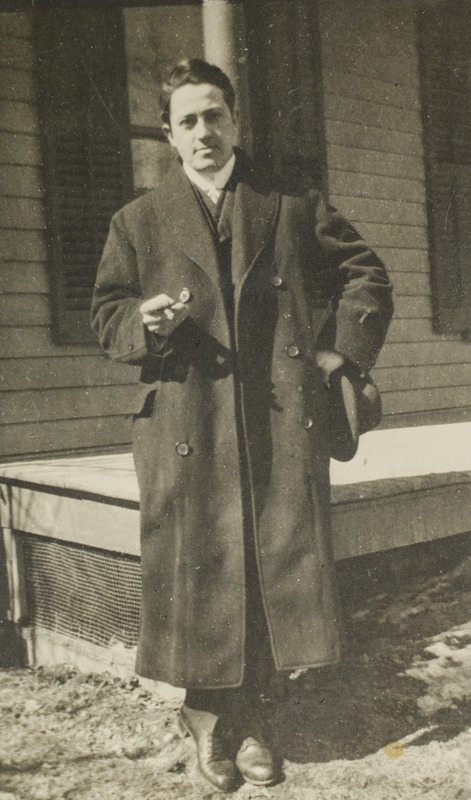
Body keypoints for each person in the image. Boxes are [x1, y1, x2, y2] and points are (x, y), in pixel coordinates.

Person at [91, 59, 393, 792]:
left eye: (214, 115)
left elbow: (366, 275)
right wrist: (145, 321)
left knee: (267, 564)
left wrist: (336, 353)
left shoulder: (288, 204)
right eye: (187, 120)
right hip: (186, 419)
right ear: (167, 133)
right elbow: (106, 316)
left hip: (274, 416)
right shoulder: (136, 222)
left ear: (235, 121)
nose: (204, 132)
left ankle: (252, 716)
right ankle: (205, 716)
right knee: (199, 569)